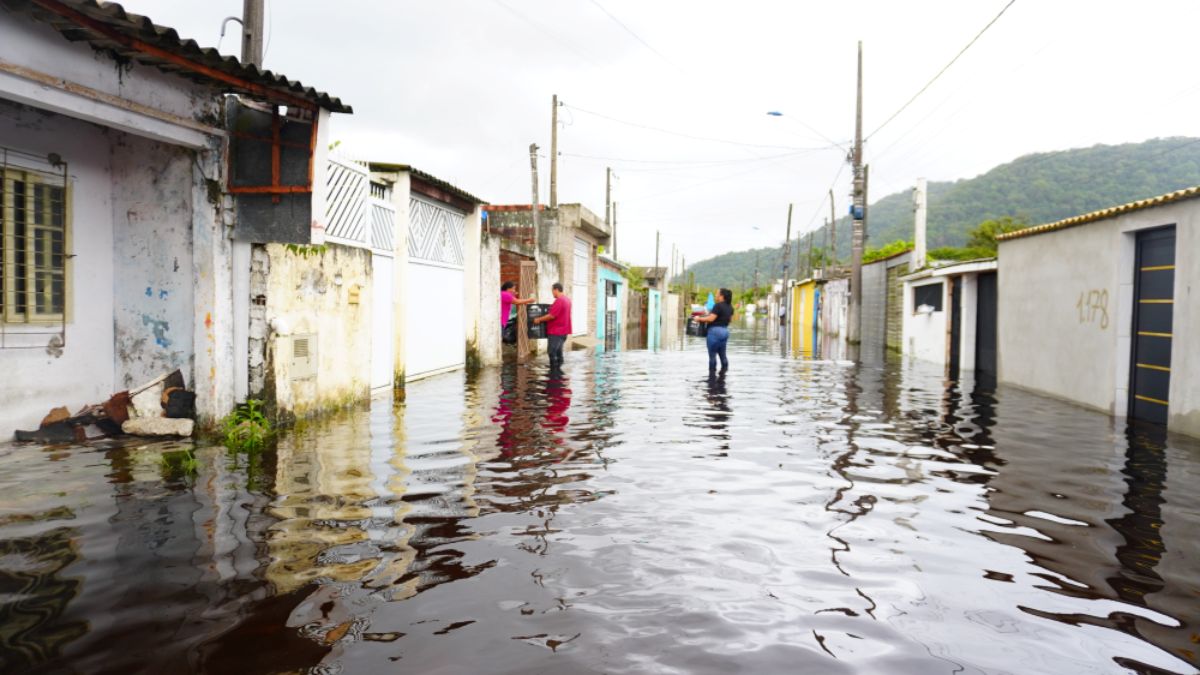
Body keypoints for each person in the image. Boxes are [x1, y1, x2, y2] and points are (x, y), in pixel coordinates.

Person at [533, 282, 572, 369]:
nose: (552, 293)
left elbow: (551, 316)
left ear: (556, 290)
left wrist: (538, 319)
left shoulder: (559, 300)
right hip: (563, 332)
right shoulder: (567, 300)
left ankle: (554, 373)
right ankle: (559, 372)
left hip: (556, 332)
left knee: (551, 352)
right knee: (558, 353)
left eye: (552, 290)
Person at [697, 287, 733, 374]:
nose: (716, 295)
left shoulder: (718, 306)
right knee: (723, 356)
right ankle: (723, 376)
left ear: (722, 296)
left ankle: (712, 379)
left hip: (715, 332)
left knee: (712, 357)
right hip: (725, 331)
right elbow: (730, 320)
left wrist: (699, 318)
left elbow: (711, 319)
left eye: (717, 293)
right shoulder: (730, 307)